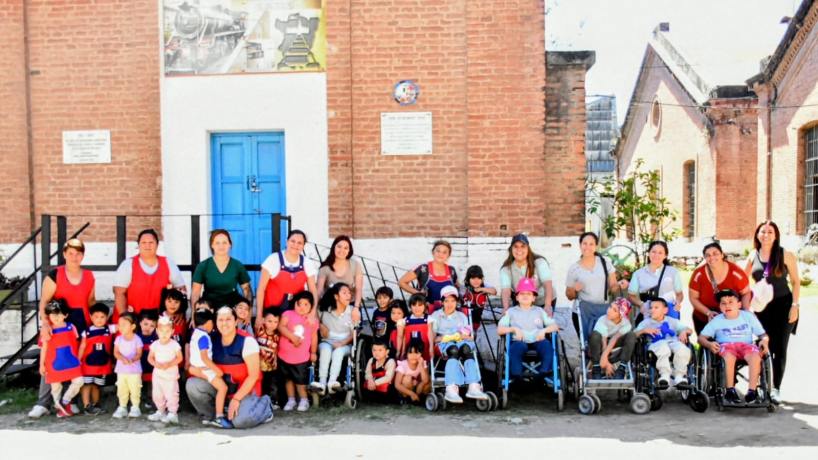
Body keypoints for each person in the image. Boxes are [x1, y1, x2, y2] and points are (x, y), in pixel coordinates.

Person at [29, 239, 94, 419]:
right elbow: (44, 301)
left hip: (79, 323)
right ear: (64, 254)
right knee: (51, 360)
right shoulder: (55, 274)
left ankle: (68, 402)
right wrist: (45, 324)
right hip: (57, 322)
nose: (74, 257)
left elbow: (91, 301)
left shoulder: (89, 276)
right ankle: (43, 403)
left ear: (83, 255)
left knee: (73, 361)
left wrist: (97, 322)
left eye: (78, 253)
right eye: (70, 253)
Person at [186, 307, 273, 429]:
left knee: (240, 421)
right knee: (193, 384)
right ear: (215, 322)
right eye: (220, 320)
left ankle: (265, 405)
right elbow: (193, 367)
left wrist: (236, 399)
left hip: (245, 392)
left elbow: (253, 376)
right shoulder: (210, 339)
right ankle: (215, 416)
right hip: (223, 390)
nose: (224, 323)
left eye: (228, 319)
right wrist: (198, 372)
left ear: (236, 321)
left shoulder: (247, 341)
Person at [743, 221, 800, 404]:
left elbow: (796, 282)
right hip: (762, 308)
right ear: (757, 234)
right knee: (762, 345)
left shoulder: (785, 254)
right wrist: (746, 303)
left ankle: (776, 388)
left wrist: (795, 305)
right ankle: (760, 385)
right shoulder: (753, 255)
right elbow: (742, 280)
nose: (766, 235)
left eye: (770, 232)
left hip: (784, 306)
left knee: (780, 348)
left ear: (776, 235)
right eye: (763, 231)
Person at [698, 289, 770, 404]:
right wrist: (709, 344)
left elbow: (763, 335)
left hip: (746, 346)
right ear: (720, 307)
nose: (727, 305)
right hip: (726, 346)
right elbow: (701, 338)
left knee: (756, 356)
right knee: (728, 357)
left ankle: (752, 391)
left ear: (739, 304)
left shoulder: (748, 316)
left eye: (731, 302)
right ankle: (730, 390)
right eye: (723, 303)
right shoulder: (717, 320)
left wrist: (764, 342)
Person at [430, 286, 488, 403]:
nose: (449, 304)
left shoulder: (461, 316)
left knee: (466, 348)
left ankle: (473, 386)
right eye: (446, 301)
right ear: (442, 302)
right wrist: (449, 337)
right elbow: (434, 338)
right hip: (444, 343)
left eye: (453, 301)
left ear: (457, 302)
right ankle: (451, 388)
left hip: (461, 341)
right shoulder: (436, 316)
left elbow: (469, 336)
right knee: (454, 349)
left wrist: (462, 336)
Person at [113, 229, 186, 322]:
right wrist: (125, 318)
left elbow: (181, 289)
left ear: (157, 244)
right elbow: (119, 293)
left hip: (162, 320)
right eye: (143, 242)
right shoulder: (128, 264)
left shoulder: (168, 263)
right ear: (138, 245)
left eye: (151, 242)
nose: (147, 245)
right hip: (133, 318)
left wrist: (180, 311)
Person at [566, 232, 628, 337]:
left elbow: (613, 287)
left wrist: (619, 285)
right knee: (587, 343)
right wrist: (574, 289)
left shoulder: (605, 262)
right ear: (580, 245)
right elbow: (569, 295)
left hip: (603, 311)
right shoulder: (574, 268)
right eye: (585, 243)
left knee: (600, 340)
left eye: (591, 244)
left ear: (596, 246)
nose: (587, 247)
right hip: (582, 313)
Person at [497, 278, 559, 379]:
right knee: (516, 349)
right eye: (522, 293)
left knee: (547, 346)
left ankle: (544, 372)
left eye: (529, 294)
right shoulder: (511, 312)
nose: (525, 296)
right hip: (519, 341)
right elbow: (499, 330)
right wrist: (513, 329)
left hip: (538, 340)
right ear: (517, 297)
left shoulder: (539, 311)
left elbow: (555, 326)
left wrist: (544, 330)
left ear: (534, 298)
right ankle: (517, 374)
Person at [256, 230, 318, 327]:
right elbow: (261, 289)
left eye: (299, 243)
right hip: (272, 313)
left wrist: (312, 312)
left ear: (303, 245)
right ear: (287, 241)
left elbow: (313, 290)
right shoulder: (273, 259)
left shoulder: (307, 263)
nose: (295, 245)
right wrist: (259, 315)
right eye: (292, 241)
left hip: (295, 312)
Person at [689, 242, 751, 334]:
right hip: (704, 318)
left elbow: (746, 292)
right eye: (708, 255)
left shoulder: (736, 272)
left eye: (715, 253)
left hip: (730, 320)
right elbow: (693, 298)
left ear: (722, 254)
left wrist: (745, 312)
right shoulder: (698, 274)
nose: (712, 257)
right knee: (706, 342)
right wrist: (708, 312)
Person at [38, 301, 84, 418]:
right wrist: (42, 365)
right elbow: (44, 348)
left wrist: (79, 358)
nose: (56, 317)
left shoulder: (71, 327)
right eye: (53, 314)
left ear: (65, 315)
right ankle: (60, 408)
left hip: (71, 361)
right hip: (53, 363)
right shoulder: (47, 331)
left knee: (79, 381)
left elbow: (77, 344)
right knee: (55, 388)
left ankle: (65, 400)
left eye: (59, 314)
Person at [634, 298, 692, 388]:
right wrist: (644, 330)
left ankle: (679, 376)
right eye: (651, 308)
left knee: (683, 349)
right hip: (655, 344)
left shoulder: (672, 321)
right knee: (663, 347)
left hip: (673, 342)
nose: (652, 310)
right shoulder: (646, 323)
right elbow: (634, 334)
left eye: (656, 308)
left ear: (665, 310)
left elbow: (689, 330)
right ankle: (664, 375)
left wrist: (684, 331)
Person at [311, 283, 358, 395]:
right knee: (325, 349)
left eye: (349, 293)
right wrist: (320, 325)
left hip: (345, 344)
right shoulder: (325, 310)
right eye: (344, 293)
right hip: (327, 342)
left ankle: (332, 382)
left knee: (338, 352)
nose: (348, 295)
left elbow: (354, 333)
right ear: (336, 296)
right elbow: (313, 316)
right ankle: (322, 383)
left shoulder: (352, 311)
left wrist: (341, 343)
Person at [187, 309, 230, 428]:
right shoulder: (204, 337)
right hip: (206, 369)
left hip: (197, 368)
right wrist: (216, 370)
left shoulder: (195, 333)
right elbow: (204, 357)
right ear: (209, 322)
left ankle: (211, 416)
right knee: (223, 388)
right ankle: (219, 416)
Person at [277, 291, 319, 412]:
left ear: (311, 307)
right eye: (299, 304)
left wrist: (313, 352)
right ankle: (291, 399)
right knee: (288, 379)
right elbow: (281, 327)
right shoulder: (288, 314)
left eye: (306, 304)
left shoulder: (312, 320)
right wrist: (292, 337)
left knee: (300, 380)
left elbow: (314, 337)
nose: (302, 307)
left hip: (301, 357)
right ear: (294, 303)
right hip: (284, 355)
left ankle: (304, 399)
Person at [190, 229, 252, 309]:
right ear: (212, 245)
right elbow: (195, 293)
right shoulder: (203, 266)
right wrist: (194, 314)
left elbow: (247, 290)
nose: (221, 246)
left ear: (230, 244)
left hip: (232, 307)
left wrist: (248, 312)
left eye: (224, 242)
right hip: (209, 307)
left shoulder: (237, 265)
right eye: (217, 243)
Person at [628, 241, 684, 321]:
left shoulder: (673, 272)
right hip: (648, 314)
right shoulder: (638, 274)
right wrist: (641, 304)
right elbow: (631, 296)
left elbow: (679, 294)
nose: (656, 255)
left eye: (660, 253)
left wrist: (677, 302)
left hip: (668, 314)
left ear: (665, 255)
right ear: (648, 253)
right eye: (653, 252)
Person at [500, 234, 553, 315]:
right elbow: (506, 290)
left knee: (541, 322)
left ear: (528, 248)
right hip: (522, 302)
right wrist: (506, 308)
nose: (519, 249)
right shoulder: (506, 269)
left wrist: (548, 306)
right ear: (511, 249)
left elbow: (547, 284)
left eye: (523, 246)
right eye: (516, 246)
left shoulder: (539, 262)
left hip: (542, 300)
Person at [77, 302, 116, 415]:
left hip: (102, 365)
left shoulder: (110, 329)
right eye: (96, 317)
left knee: (97, 386)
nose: (99, 320)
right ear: (90, 317)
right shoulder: (86, 332)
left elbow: (123, 325)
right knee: (86, 385)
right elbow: (82, 346)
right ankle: (86, 406)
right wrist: (78, 360)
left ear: (107, 317)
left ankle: (96, 405)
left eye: (102, 317)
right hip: (87, 365)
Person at [399, 240, 459, 311]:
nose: (440, 254)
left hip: (447, 312)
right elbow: (401, 282)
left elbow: (457, 287)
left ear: (448, 255)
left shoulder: (451, 270)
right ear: (433, 252)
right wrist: (418, 293)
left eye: (444, 252)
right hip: (427, 311)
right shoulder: (423, 268)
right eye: (438, 251)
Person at [147, 315, 183, 424]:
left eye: (167, 331)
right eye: (162, 331)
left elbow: (180, 358)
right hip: (158, 375)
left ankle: (172, 413)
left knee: (171, 394)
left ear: (172, 331)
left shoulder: (174, 345)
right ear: (157, 331)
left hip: (170, 375)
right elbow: (150, 358)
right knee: (157, 394)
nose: (164, 334)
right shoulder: (155, 345)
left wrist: (169, 364)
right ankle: (160, 411)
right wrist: (155, 364)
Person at [589, 298, 636, 380]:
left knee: (631, 335)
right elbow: (604, 341)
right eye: (610, 307)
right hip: (601, 345)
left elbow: (614, 338)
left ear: (620, 315)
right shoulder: (602, 320)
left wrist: (605, 358)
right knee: (595, 335)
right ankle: (596, 368)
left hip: (615, 345)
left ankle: (621, 368)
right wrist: (606, 362)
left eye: (614, 310)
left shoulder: (626, 324)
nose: (609, 310)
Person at [317, 235, 364, 311]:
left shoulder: (355, 265)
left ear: (349, 251)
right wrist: (315, 309)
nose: (342, 250)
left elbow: (359, 289)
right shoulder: (325, 268)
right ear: (334, 247)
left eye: (346, 248)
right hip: (331, 305)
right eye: (339, 246)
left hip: (350, 304)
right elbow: (319, 291)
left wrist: (356, 307)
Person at [112, 312, 143, 419]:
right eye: (119, 324)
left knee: (135, 388)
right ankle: (122, 407)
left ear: (133, 326)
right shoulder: (118, 339)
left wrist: (132, 359)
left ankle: (135, 407)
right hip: (121, 370)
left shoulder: (137, 339)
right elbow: (116, 352)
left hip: (134, 371)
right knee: (122, 388)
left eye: (124, 324)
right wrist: (122, 358)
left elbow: (139, 353)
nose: (120, 327)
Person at [256, 310, 280, 407]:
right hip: (258, 363)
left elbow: (277, 350)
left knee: (270, 383)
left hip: (270, 365)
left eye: (275, 322)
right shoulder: (259, 330)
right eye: (269, 321)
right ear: (263, 320)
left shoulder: (277, 335)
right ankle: (259, 400)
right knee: (259, 383)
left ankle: (271, 401)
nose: (272, 324)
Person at [462, 265, 497, 330]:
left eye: (478, 278)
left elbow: (494, 292)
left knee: (475, 328)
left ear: (482, 279)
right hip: (465, 317)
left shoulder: (484, 285)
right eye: (473, 278)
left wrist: (481, 289)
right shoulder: (464, 287)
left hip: (477, 315)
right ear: (468, 279)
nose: (476, 281)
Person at [137, 311, 158, 411]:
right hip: (138, 366)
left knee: (152, 384)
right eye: (145, 324)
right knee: (137, 384)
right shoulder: (136, 336)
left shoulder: (156, 337)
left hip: (151, 367)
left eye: (152, 326)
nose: (148, 327)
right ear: (140, 323)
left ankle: (153, 401)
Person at [403, 294, 430, 359]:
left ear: (425, 306)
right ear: (410, 306)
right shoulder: (405, 320)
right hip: (410, 353)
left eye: (420, 305)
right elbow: (403, 337)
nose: (417, 308)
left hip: (426, 352)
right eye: (414, 305)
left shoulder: (430, 319)